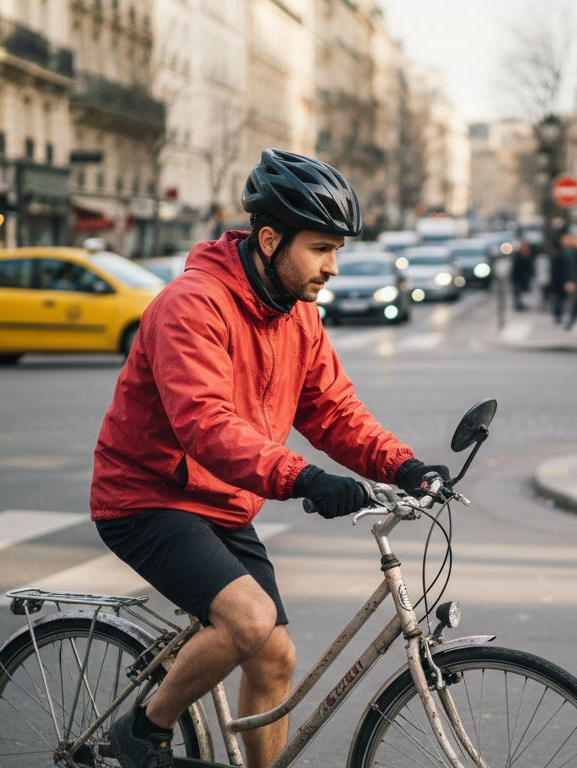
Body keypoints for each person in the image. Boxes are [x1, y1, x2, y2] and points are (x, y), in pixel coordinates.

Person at [90, 149, 452, 768]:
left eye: (337, 250)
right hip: (147, 498)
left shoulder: (296, 315)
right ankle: (143, 731)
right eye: (320, 248)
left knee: (275, 658)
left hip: (224, 502)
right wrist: (303, 478)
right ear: (269, 240)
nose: (332, 267)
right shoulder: (192, 304)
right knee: (248, 619)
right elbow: (206, 425)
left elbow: (333, 411)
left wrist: (404, 467)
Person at [510, 240, 535, 310]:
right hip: (518, 278)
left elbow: (531, 268)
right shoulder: (517, 257)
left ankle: (524, 305)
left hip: (526, 279)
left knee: (525, 293)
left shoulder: (530, 257)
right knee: (517, 292)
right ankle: (518, 305)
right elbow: (514, 269)